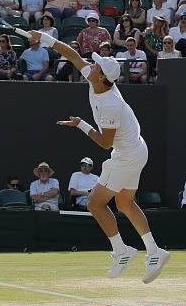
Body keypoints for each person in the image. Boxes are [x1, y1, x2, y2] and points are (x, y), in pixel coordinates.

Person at [27, 28, 168, 283]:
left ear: (102, 77)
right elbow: (70, 53)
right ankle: (155, 251)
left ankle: (121, 250)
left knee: (94, 204)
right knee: (124, 203)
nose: (90, 64)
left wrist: (81, 124)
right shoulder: (96, 78)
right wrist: (42, 37)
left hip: (125, 155)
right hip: (138, 150)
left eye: (96, 65)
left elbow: (104, 143)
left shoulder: (109, 105)